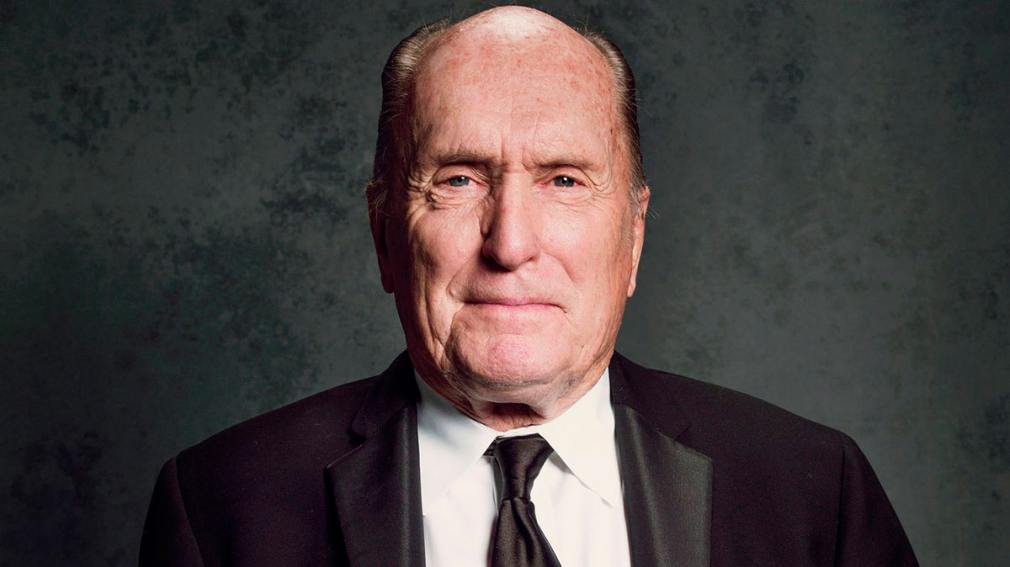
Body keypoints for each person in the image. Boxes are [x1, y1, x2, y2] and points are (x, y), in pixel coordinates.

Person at [139, 6, 919, 566]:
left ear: (633, 237)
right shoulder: (220, 508)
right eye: (458, 178)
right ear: (384, 234)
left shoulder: (814, 493)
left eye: (565, 180)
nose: (510, 244)